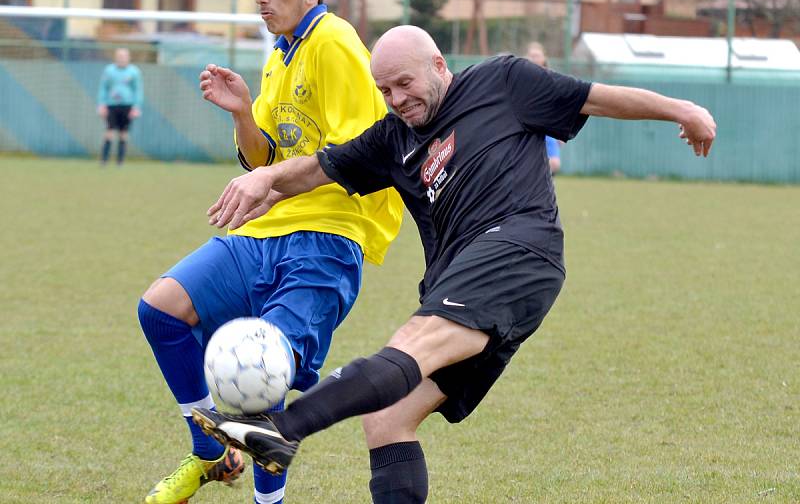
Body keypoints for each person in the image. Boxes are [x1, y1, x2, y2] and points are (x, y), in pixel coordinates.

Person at [191, 25, 717, 503]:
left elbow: (597, 100)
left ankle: (281, 429)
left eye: (404, 83)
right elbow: (318, 170)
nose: (397, 99)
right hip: (460, 276)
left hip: (518, 247)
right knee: (388, 416)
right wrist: (266, 180)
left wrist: (681, 110)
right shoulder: (392, 138)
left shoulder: (504, 82)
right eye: (385, 91)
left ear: (439, 65)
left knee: (410, 344)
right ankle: (281, 431)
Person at [137, 0, 403, 504]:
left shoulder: (334, 41)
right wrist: (242, 116)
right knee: (160, 311)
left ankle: (267, 500)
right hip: (266, 230)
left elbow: (358, 154)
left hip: (328, 235)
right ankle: (211, 455)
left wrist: (269, 177)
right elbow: (269, 156)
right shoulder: (280, 52)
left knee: (260, 370)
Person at [96, 47, 142, 165]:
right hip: (111, 105)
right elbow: (103, 88)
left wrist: (136, 107)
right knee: (109, 132)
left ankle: (120, 162)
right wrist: (101, 104)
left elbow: (138, 90)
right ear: (116, 57)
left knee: (123, 133)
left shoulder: (134, 72)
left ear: (128, 58)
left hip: (127, 106)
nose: (122, 58)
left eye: (124, 56)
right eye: (120, 56)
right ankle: (104, 160)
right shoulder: (109, 70)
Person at [526, 41, 562, 174]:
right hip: (528, 127)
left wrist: (560, 131)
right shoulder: (521, 78)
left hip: (548, 128)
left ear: (543, 58)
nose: (534, 58)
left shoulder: (551, 79)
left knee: (554, 164)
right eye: (531, 55)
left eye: (537, 55)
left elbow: (558, 104)